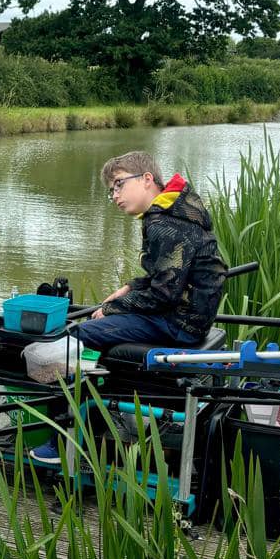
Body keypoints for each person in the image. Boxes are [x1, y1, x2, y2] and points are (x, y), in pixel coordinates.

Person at [28, 150, 226, 466]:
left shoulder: (165, 224)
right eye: (111, 190)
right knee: (94, 328)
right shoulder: (178, 209)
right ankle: (92, 423)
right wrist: (132, 287)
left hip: (179, 323)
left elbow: (164, 295)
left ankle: (60, 442)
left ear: (147, 179)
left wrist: (116, 307)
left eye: (119, 184)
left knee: (77, 337)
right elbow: (168, 275)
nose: (115, 195)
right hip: (189, 315)